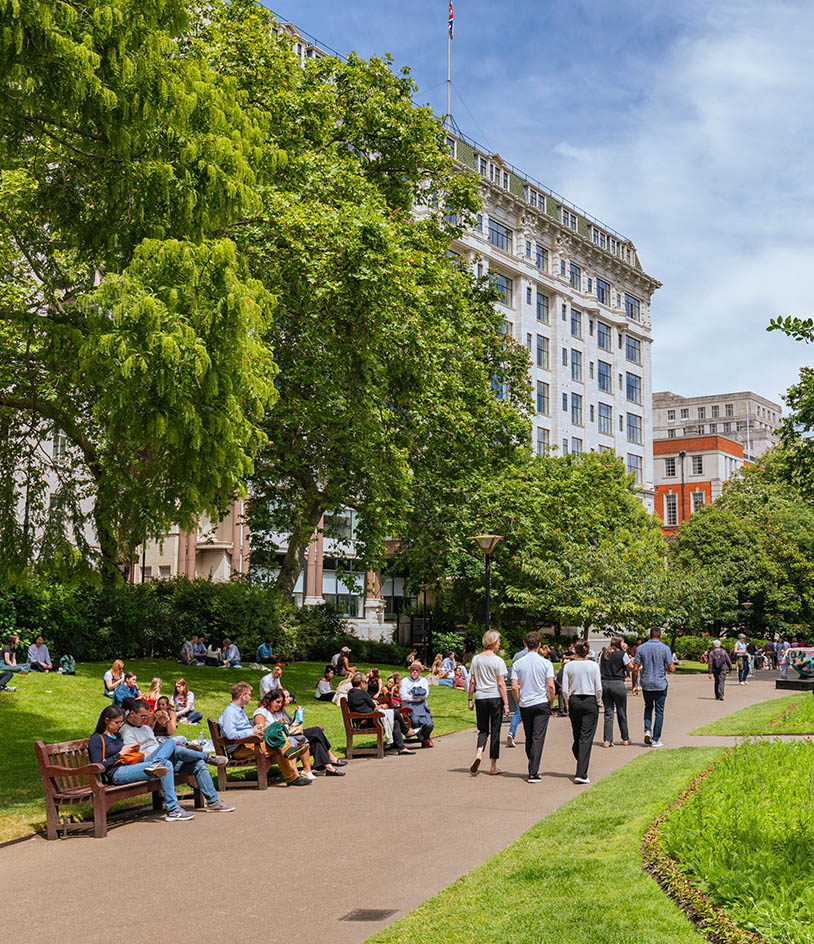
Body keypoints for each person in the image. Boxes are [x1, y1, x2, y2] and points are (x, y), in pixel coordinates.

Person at [119, 699, 235, 816]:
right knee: (170, 743)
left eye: (146, 716)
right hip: (146, 764)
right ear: (132, 713)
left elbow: (157, 744)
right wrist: (162, 752)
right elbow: (135, 755)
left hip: (161, 760)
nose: (145, 719)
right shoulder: (125, 731)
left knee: (198, 764)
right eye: (143, 716)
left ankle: (213, 802)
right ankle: (207, 757)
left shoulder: (147, 728)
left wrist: (163, 751)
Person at [218, 681, 310, 786]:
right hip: (239, 749)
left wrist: (256, 730)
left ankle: (291, 772)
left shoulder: (239, 710)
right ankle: (291, 772)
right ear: (242, 696)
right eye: (249, 694)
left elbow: (242, 729)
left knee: (277, 731)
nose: (250, 697)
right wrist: (252, 731)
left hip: (248, 743)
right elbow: (230, 735)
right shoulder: (230, 713)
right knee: (277, 743)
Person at [254, 690, 347, 776]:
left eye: (281, 702)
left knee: (315, 737)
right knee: (314, 733)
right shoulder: (261, 712)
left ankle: (325, 767)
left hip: (288, 734)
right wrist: (277, 724)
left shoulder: (277, 712)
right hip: (276, 741)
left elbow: (287, 726)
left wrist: (295, 720)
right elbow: (260, 730)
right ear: (269, 700)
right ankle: (327, 763)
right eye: (277, 702)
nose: (279, 704)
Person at [510, 631, 555, 783]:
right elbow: (550, 685)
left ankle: (532, 764)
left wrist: (518, 701)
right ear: (540, 645)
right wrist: (551, 701)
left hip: (525, 703)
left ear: (525, 644)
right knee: (538, 737)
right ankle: (533, 771)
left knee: (530, 736)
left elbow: (515, 687)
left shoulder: (517, 664)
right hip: (541, 702)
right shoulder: (546, 663)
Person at [468, 630, 509, 775]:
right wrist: (506, 704)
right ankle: (493, 766)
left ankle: (479, 752)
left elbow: (472, 681)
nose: (499, 643)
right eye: (498, 641)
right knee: (495, 730)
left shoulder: (476, 659)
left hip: (480, 697)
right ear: (493, 642)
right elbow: (501, 684)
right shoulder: (498, 661)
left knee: (483, 729)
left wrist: (469, 699)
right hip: (494, 697)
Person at [562, 640, 602, 784]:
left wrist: (567, 702)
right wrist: (598, 701)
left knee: (578, 733)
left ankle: (581, 768)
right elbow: (598, 687)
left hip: (575, 700)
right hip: (590, 700)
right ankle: (582, 772)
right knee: (585, 737)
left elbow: (565, 689)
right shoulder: (593, 666)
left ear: (575, 651)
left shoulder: (568, 666)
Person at [347, 673, 415, 754]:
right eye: (365, 682)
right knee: (396, 712)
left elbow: (365, 705)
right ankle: (406, 732)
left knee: (395, 722)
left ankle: (401, 747)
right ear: (361, 683)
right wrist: (383, 706)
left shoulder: (350, 693)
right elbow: (375, 707)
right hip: (370, 720)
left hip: (362, 720)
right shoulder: (363, 693)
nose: (365, 684)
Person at [633, 628, 675, 747]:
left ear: (649, 635)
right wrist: (665, 667)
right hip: (660, 683)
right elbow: (672, 668)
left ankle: (647, 730)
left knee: (648, 707)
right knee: (659, 711)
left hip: (646, 682)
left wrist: (634, 684)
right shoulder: (665, 648)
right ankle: (655, 739)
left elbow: (636, 668)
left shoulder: (641, 648)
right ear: (660, 636)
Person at [600, 637, 632, 747]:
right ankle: (625, 738)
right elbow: (630, 667)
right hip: (617, 683)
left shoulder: (603, 654)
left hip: (605, 683)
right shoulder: (623, 654)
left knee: (608, 712)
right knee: (621, 711)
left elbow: (600, 668)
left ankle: (607, 740)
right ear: (619, 643)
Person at [401, 663, 435, 747]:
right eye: (413, 670)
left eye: (417, 670)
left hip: (422, 707)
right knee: (415, 721)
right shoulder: (405, 681)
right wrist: (418, 697)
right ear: (410, 670)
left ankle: (425, 738)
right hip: (409, 707)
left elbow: (425, 695)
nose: (414, 672)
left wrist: (411, 694)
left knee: (429, 724)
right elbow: (403, 696)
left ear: (420, 671)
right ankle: (424, 739)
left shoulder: (423, 681)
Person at [506, 641, 529, 748]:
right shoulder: (536, 657)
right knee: (530, 712)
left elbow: (512, 673)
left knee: (517, 712)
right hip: (528, 687)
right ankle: (531, 735)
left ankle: (511, 732)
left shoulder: (517, 656)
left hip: (518, 686)